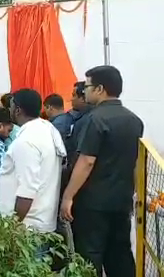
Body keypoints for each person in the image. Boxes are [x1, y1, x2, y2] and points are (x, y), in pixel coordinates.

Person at [60, 66, 143, 277]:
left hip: (92, 204)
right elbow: (135, 162)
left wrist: (68, 196)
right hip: (121, 202)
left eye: (87, 86)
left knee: (89, 257)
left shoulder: (94, 119)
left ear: (99, 89)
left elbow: (87, 161)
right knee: (120, 256)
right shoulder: (134, 120)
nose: (84, 91)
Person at [0, 89, 66, 235]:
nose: (9, 110)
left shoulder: (27, 141)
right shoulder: (47, 129)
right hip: (41, 220)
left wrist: (12, 228)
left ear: (17, 110)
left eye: (10, 106)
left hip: (27, 227)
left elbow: (27, 190)